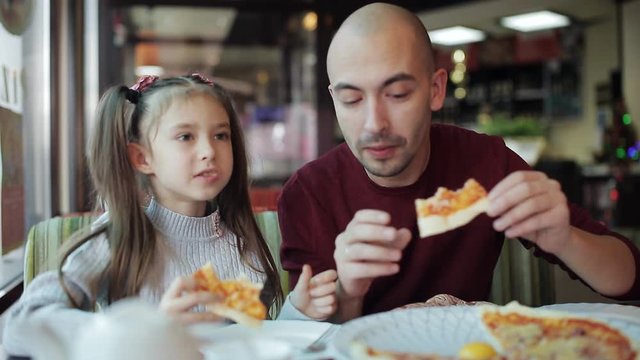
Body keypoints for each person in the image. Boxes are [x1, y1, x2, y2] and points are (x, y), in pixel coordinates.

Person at [277, 2, 640, 322]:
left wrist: (565, 240)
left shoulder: (485, 162)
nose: (375, 124)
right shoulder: (308, 193)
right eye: (352, 100)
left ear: (436, 90)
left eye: (398, 94)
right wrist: (349, 293)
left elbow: (628, 279)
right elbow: (308, 341)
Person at [4, 74, 337, 356]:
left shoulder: (241, 242)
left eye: (220, 135)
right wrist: (145, 330)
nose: (209, 151)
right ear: (142, 158)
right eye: (185, 137)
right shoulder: (119, 236)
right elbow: (21, 325)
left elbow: (250, 344)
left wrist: (299, 311)